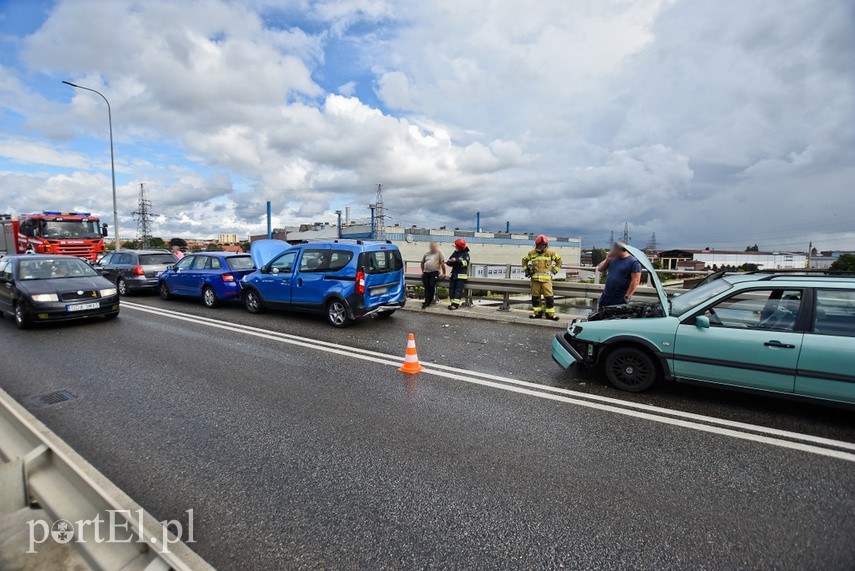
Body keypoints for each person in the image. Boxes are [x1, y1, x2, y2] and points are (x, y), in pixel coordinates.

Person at [522, 235, 562, 320]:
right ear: (537, 244)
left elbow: (559, 261)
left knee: (549, 297)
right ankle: (537, 313)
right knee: (535, 297)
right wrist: (526, 270)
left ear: (546, 245)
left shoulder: (550, 253)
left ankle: (550, 314)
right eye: (540, 245)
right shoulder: (532, 253)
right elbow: (524, 260)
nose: (541, 246)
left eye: (543, 245)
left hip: (546, 281)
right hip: (535, 280)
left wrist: (554, 271)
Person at [597, 242, 642, 307]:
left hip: (620, 297)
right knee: (601, 315)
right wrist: (607, 260)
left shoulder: (633, 262)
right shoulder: (612, 258)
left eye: (615, 249)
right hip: (606, 295)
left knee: (615, 316)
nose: (613, 251)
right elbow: (600, 268)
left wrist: (627, 297)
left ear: (622, 249)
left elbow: (636, 281)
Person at [420, 242, 446, 309]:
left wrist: (444, 273)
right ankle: (426, 300)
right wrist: (423, 271)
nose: (433, 248)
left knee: (431, 286)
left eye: (434, 246)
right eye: (432, 246)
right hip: (426, 272)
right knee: (426, 287)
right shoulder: (427, 254)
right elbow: (422, 262)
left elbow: (442, 263)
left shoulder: (439, 253)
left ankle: (429, 301)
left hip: (434, 272)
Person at [446, 238, 470, 310]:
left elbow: (465, 263)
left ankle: (455, 305)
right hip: (454, 275)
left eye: (456, 246)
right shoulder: (455, 253)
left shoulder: (466, 254)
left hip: (461, 276)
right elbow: (449, 261)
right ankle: (452, 303)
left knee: (458, 291)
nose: (455, 247)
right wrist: (450, 262)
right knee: (451, 290)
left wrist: (456, 261)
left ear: (460, 247)